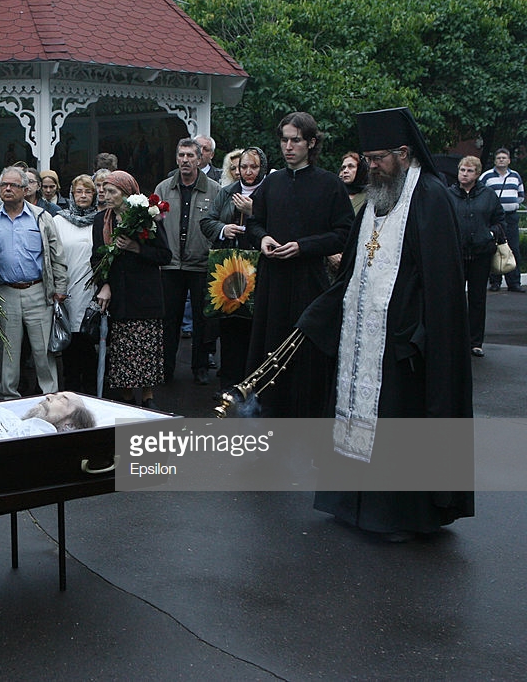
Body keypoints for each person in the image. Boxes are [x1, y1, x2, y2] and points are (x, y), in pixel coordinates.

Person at [298, 107, 474, 540]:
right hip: (361, 336)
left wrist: (419, 333)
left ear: (404, 153)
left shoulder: (430, 198)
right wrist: (319, 315)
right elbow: (353, 269)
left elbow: (442, 286)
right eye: (368, 158)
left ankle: (399, 516)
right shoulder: (375, 199)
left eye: (378, 159)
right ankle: (350, 505)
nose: (371, 167)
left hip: (405, 343)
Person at [245, 112, 353, 417]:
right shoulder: (272, 182)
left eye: (296, 140)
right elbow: (255, 223)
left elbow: (345, 233)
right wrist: (263, 238)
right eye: (284, 140)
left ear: (311, 142)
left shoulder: (330, 184)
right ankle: (267, 413)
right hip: (273, 281)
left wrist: (303, 247)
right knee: (269, 345)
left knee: (305, 354)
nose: (288, 147)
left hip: (309, 281)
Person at [0, 166, 68, 399]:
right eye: (3, 185)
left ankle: (51, 397)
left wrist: (60, 288)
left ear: (25, 189)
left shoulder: (41, 217)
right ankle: (8, 397)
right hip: (5, 292)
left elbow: (57, 255)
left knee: (43, 350)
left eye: (13, 185)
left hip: (38, 290)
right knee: (8, 351)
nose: (8, 189)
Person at [93, 171, 171, 407]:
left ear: (127, 193)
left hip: (145, 294)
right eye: (104, 191)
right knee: (123, 351)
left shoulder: (146, 217)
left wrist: (137, 248)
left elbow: (164, 255)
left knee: (145, 349)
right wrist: (104, 284)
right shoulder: (102, 220)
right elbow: (96, 258)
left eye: (112, 191)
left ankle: (147, 397)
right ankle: (126, 399)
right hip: (119, 294)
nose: (106, 195)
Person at [153, 137, 221, 385]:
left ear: (200, 159)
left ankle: (200, 367)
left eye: (190, 155)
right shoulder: (163, 188)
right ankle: (166, 367)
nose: (185, 160)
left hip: (201, 263)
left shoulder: (214, 189)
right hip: (171, 263)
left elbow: (220, 224)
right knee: (169, 319)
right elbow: (153, 224)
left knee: (203, 320)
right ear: (176, 158)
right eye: (181, 155)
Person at [200, 146, 268, 387]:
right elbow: (206, 221)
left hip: (259, 266)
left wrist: (252, 211)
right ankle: (228, 384)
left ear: (262, 168)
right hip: (229, 266)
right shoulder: (227, 192)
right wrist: (223, 229)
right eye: (243, 167)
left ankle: (252, 384)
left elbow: (279, 224)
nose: (248, 172)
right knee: (229, 324)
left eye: (253, 167)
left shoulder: (270, 191)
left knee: (254, 325)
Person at [449, 155, 505, 358]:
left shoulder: (488, 195)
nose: (464, 174)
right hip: (455, 255)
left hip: (481, 254)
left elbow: (500, 221)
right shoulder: (448, 194)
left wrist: (488, 234)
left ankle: (475, 342)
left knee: (477, 299)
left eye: (469, 171)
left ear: (477, 174)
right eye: (462, 170)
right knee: (454, 299)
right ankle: (454, 340)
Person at [52, 175, 100, 393]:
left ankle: (90, 390)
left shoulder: (101, 221)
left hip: (91, 288)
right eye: (79, 191)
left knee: (88, 340)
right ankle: (70, 388)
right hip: (66, 287)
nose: (83, 196)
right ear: (71, 194)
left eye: (88, 192)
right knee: (69, 341)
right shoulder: (59, 221)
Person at [482, 148, 525, 292]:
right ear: (495, 160)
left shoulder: (515, 176)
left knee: (513, 248)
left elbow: (520, 195)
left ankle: (514, 282)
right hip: (494, 217)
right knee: (495, 248)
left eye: (504, 158)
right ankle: (495, 282)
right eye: (499, 158)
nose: (501, 160)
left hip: (511, 217)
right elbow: (480, 193)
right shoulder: (487, 176)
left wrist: (511, 205)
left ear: (509, 160)